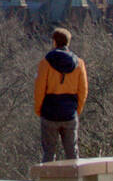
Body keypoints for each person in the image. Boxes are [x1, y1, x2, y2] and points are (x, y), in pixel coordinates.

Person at [34, 27, 89, 162]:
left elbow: (39, 89)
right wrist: (77, 110)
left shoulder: (45, 63)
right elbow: (83, 90)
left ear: (54, 42)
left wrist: (39, 110)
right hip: (69, 113)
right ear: (68, 43)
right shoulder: (79, 63)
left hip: (49, 113)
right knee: (72, 153)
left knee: (49, 154)